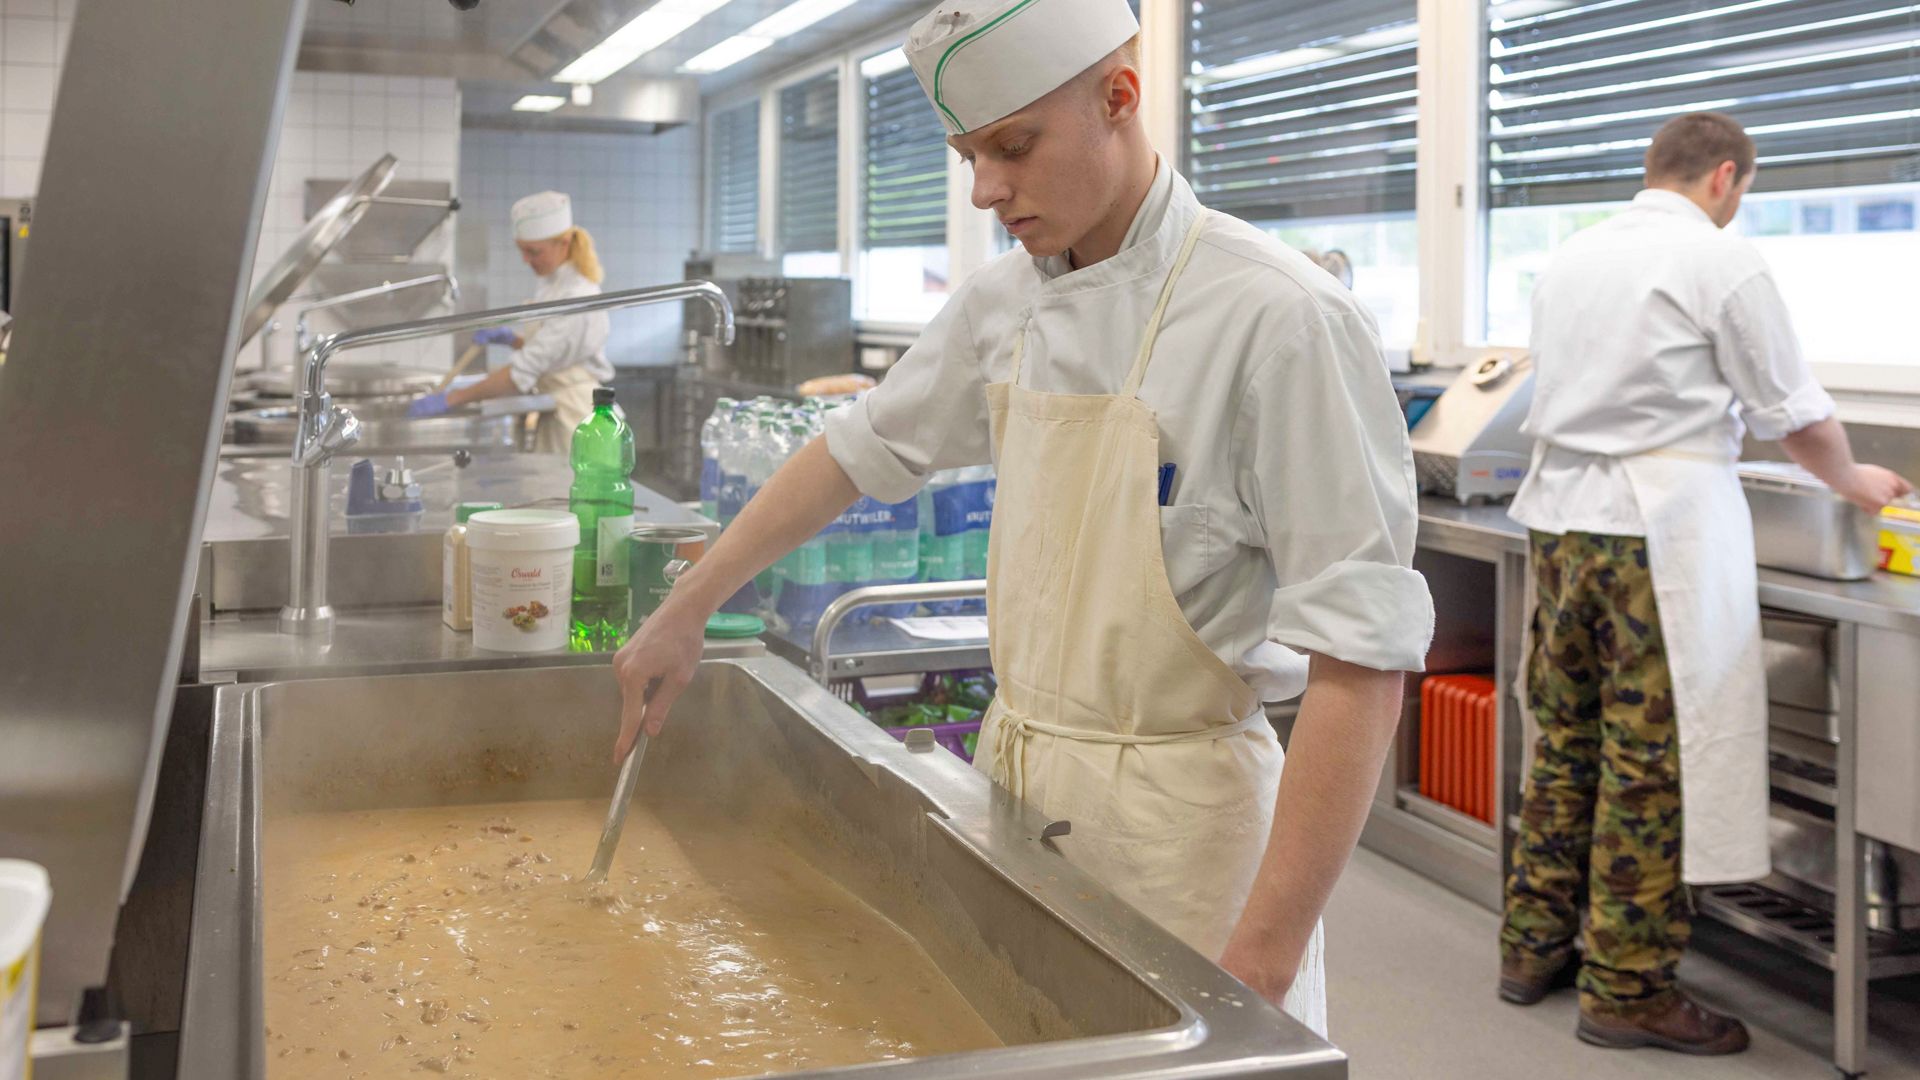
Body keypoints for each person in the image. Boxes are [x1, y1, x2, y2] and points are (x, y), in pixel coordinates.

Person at [612, 0, 1434, 1034]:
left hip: (1187, 845)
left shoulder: (1280, 318)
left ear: (1119, 97)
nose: (985, 190)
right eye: (968, 156)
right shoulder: (1002, 302)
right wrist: (687, 607)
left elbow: (1363, 660)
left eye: (1014, 146)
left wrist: (1258, 970)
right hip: (1015, 800)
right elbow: (856, 451)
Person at [1499, 112, 1912, 1054]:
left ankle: (1532, 947)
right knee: (1649, 762)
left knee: (1565, 742)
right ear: (1727, 177)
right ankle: (1627, 990)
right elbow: (1793, 413)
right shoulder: (1720, 261)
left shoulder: (1574, 256)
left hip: (1560, 524)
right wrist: (1853, 480)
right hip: (1654, 534)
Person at [408, 190, 613, 452]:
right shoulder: (552, 284)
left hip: (577, 420)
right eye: (522, 250)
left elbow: (519, 374)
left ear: (563, 243)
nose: (526, 260)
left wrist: (451, 399)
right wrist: (513, 340)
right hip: (558, 411)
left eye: (533, 252)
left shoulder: (577, 296)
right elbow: (555, 354)